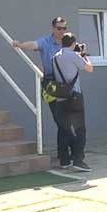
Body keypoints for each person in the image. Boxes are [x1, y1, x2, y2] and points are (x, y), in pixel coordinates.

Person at [12, 17, 70, 166]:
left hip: (66, 83)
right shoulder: (46, 41)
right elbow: (34, 44)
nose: (62, 31)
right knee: (60, 119)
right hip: (51, 83)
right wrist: (20, 45)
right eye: (59, 28)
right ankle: (65, 158)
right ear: (53, 28)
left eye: (64, 28)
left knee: (66, 120)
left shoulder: (67, 42)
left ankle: (64, 153)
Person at [51, 33, 94, 171]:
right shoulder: (73, 55)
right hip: (74, 96)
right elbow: (89, 68)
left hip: (60, 97)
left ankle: (64, 160)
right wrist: (84, 54)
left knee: (64, 129)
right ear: (73, 43)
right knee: (79, 129)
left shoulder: (55, 57)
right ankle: (78, 160)